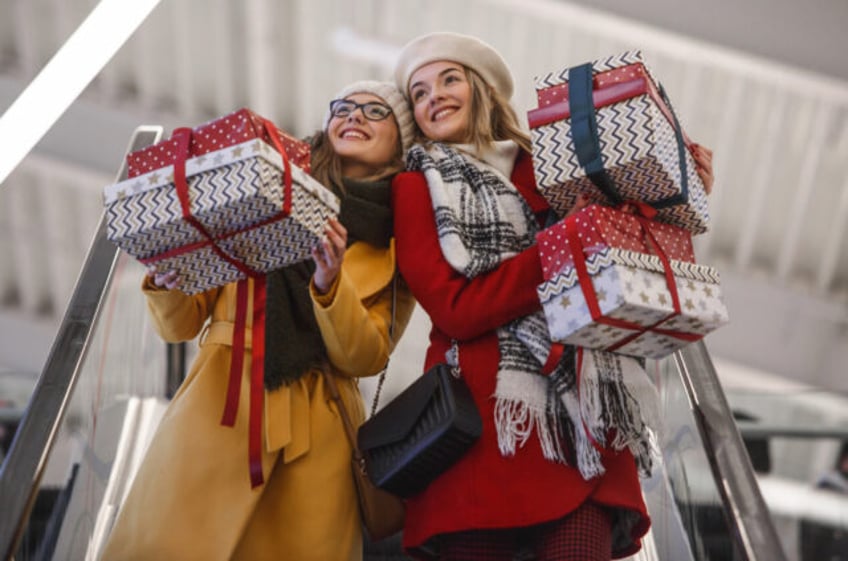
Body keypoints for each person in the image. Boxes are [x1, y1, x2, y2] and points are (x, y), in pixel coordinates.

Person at [390, 31, 715, 560]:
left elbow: (625, 241)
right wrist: (562, 247)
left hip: (582, 431)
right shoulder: (415, 186)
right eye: (419, 93)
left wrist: (681, 188)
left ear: (481, 89)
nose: (434, 98)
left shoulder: (555, 162)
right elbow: (457, 310)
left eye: (448, 80)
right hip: (484, 433)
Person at [100, 80, 416, 561]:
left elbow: (366, 356)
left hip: (318, 438)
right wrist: (169, 279)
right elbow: (180, 327)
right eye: (344, 107)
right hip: (219, 411)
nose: (354, 116)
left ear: (402, 142)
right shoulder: (263, 182)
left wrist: (331, 284)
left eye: (376, 112)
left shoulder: (399, 240)